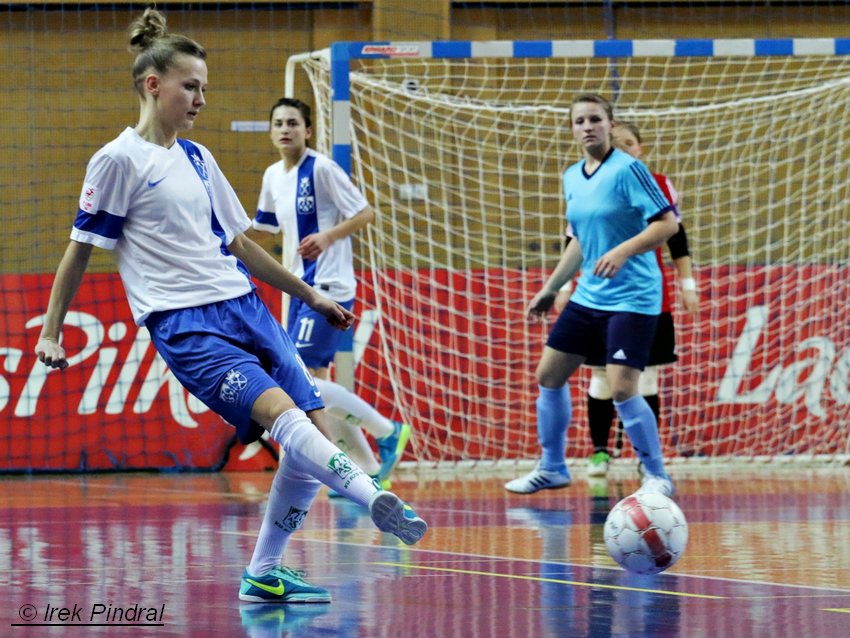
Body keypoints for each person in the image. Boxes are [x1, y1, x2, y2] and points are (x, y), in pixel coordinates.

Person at [33, 8, 427, 605]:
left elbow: (241, 244)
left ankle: (265, 570)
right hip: (185, 324)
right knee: (283, 416)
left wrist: (311, 295)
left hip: (246, 306)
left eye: (205, 89)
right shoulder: (118, 160)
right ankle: (373, 495)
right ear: (153, 84)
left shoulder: (196, 157)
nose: (200, 99)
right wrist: (52, 331)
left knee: (313, 436)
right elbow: (81, 249)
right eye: (190, 86)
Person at [504, 94, 679, 497]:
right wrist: (551, 289)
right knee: (549, 375)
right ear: (572, 129)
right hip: (590, 296)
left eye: (595, 119)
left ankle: (656, 476)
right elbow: (581, 242)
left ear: (610, 125)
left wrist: (621, 251)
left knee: (621, 388)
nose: (587, 126)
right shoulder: (571, 176)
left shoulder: (630, 170)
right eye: (579, 121)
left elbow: (667, 225)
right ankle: (552, 468)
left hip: (633, 296)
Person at [252, 97, 411, 489]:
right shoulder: (273, 175)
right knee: (316, 391)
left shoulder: (321, 169)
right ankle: (368, 468)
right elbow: (264, 227)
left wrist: (326, 236)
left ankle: (387, 430)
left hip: (329, 287)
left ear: (308, 130)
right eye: (278, 123)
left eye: (293, 122)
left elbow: (365, 213)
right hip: (299, 290)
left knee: (301, 381)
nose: (285, 129)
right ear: (271, 132)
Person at [553, 121, 699, 478]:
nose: (624, 150)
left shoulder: (658, 184)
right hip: (597, 296)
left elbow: (675, 236)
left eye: (630, 143)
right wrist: (563, 285)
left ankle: (646, 458)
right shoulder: (585, 183)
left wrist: (687, 282)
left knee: (644, 378)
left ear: (641, 148)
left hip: (644, 297)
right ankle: (600, 452)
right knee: (600, 379)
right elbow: (576, 238)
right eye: (618, 144)